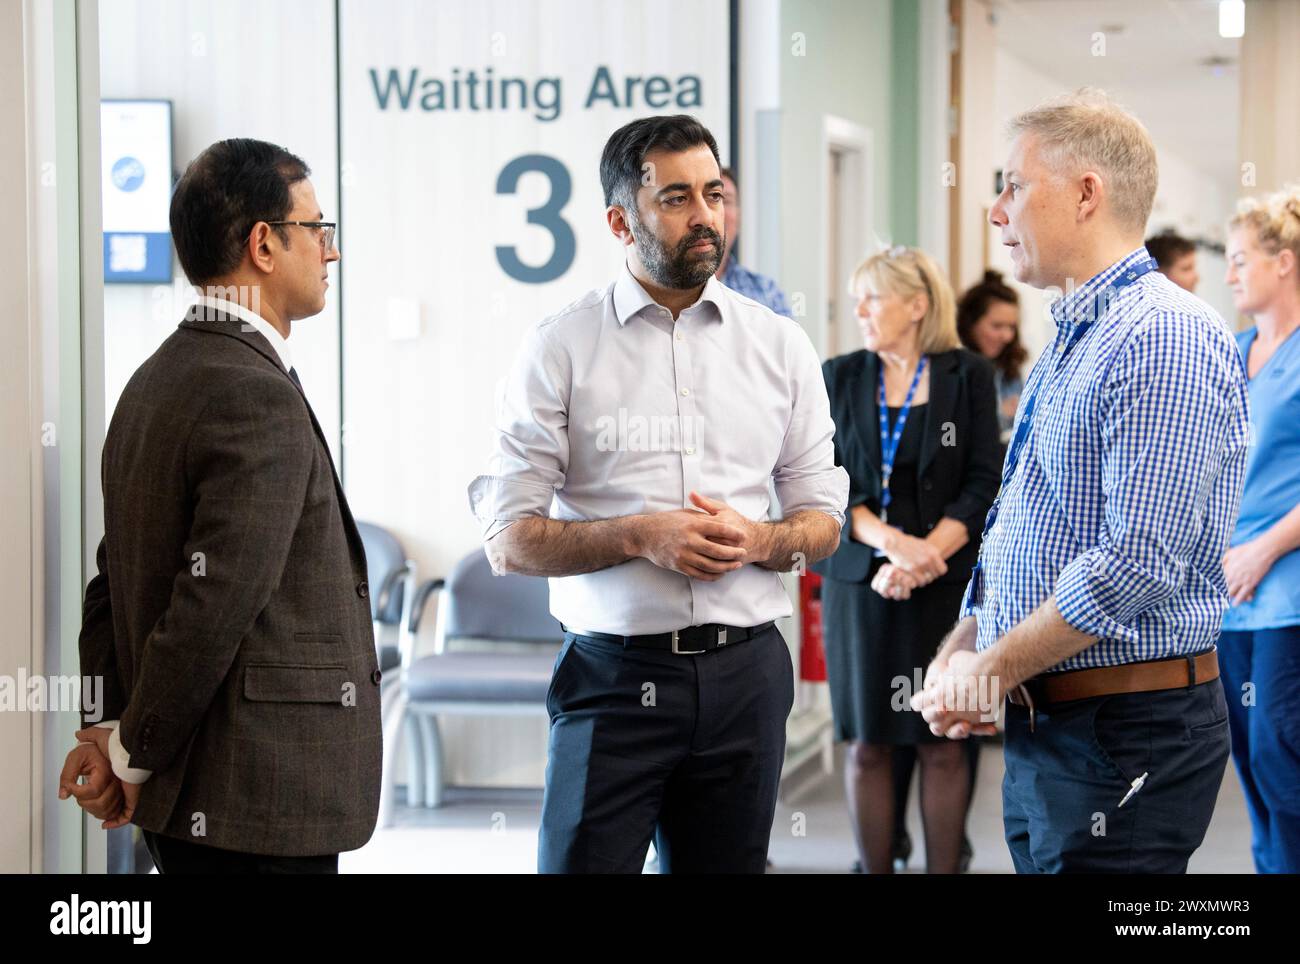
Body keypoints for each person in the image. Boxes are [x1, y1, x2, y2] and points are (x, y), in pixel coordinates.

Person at [468, 114, 848, 874]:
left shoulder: (780, 346)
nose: (705, 215)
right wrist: (641, 535)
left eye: (713, 193)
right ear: (621, 219)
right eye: (676, 198)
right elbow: (509, 538)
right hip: (612, 684)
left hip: (746, 677)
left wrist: (764, 540)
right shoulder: (560, 347)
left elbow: (824, 519)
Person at [914, 90, 1251, 873]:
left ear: (1087, 193)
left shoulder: (1162, 335)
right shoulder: (1074, 332)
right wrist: (966, 643)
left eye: (1013, 185)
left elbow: (1135, 561)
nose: (997, 212)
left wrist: (989, 671)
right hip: (1056, 720)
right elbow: (1021, 517)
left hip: (1127, 728)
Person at [59, 138, 382, 873]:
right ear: (264, 243)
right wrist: (132, 753)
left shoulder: (152, 379)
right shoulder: (251, 391)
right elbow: (214, 604)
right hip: (257, 800)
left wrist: (109, 733)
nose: (329, 252)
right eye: (318, 230)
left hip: (195, 797)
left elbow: (111, 579)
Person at [812, 245, 1001, 874]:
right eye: (856, 296)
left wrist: (927, 555)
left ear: (917, 306)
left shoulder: (967, 374)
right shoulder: (839, 375)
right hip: (862, 584)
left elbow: (982, 480)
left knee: (943, 742)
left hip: (946, 587)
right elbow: (826, 482)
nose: (859, 309)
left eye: (874, 297)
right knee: (869, 744)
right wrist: (894, 545)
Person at [1219, 185, 1300, 873]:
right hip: (1228, 593)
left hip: (1287, 587)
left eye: (1242, 258)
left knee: (1282, 746)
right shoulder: (1232, 352)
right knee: (1247, 753)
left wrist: (1265, 548)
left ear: (1285, 262)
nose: (1230, 272)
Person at [957, 270, 1028, 445]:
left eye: (1011, 327)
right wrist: (999, 414)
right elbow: (949, 435)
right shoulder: (950, 370)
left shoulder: (1010, 368)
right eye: (997, 326)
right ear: (970, 323)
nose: (1007, 337)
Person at [715, 166, 793, 316]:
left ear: (739, 216)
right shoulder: (667, 292)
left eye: (727, 201)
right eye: (712, 198)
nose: (720, 212)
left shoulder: (767, 294)